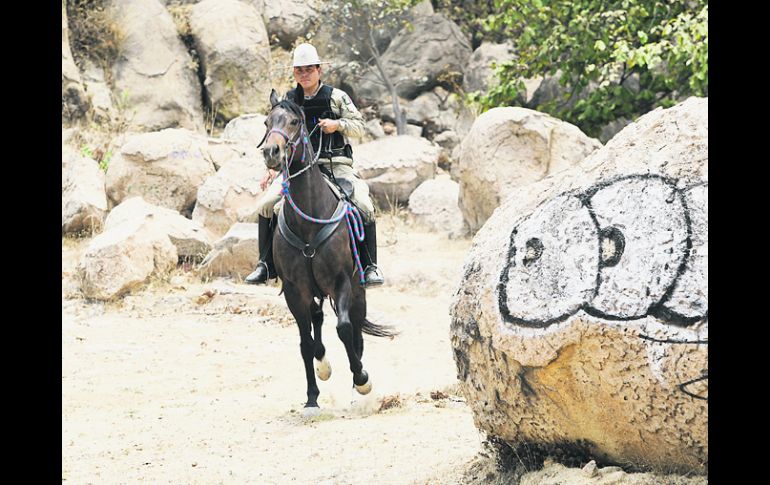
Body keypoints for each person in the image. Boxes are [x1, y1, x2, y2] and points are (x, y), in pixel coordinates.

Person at [245, 43, 385, 288]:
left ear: (319, 70)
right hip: (297, 170)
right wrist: (271, 168)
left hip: (336, 165)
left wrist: (337, 124)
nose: (304, 74)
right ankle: (265, 264)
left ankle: (369, 265)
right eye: (299, 70)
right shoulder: (288, 100)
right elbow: (277, 135)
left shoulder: (336, 97)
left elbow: (360, 127)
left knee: (364, 204)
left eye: (309, 69)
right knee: (266, 205)